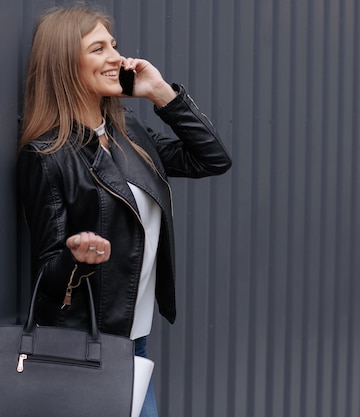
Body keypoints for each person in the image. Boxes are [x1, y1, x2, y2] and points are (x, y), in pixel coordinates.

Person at [16, 5, 231, 416]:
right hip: (86, 347)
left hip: (134, 341)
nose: (116, 57)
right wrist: (77, 255)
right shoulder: (47, 156)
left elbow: (211, 159)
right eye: (98, 48)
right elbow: (46, 274)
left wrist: (161, 94)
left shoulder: (127, 131)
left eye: (113, 45)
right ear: (65, 64)